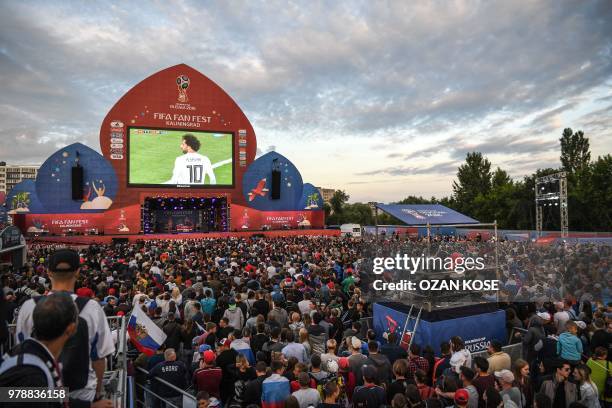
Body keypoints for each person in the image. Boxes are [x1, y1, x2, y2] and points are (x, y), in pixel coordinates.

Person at [15, 248, 114, 407]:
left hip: (41, 394)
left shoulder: (28, 307)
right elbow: (99, 358)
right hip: (82, 393)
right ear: (77, 272)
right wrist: (98, 393)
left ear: (49, 272)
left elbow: (22, 348)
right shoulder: (92, 308)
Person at [0, 292, 80, 408]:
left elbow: (43, 395)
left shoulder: (30, 354)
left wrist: (90, 405)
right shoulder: (30, 375)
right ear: (71, 328)